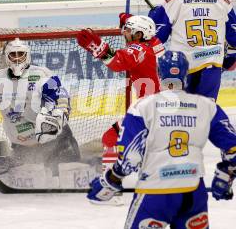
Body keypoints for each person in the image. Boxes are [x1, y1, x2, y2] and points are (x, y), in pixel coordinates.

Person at [87, 50, 236, 228]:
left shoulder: (143, 106)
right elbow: (233, 149)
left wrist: (111, 180)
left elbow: (129, 157)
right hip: (194, 192)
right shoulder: (207, 106)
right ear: (186, 73)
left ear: (159, 74)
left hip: (155, 192)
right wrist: (226, 175)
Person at [0, 38, 80, 177]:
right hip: (22, 147)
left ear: (28, 55)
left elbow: (61, 97)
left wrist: (60, 115)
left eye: (20, 54)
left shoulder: (40, 75)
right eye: (13, 55)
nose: (17, 58)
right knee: (29, 178)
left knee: (67, 175)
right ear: (7, 58)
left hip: (56, 142)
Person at [149, 0, 236, 101]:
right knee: (205, 114)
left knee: (181, 114)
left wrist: (153, 18)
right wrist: (230, 59)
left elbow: (156, 37)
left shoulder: (173, 1)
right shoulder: (222, 2)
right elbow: (234, 38)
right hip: (211, 66)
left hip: (181, 68)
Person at [76, 15, 162, 158]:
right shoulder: (155, 43)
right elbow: (147, 31)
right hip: (161, 108)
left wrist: (98, 48)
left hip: (149, 112)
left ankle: (118, 172)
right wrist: (129, 20)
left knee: (110, 139)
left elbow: (117, 62)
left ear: (139, 34)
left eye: (128, 30)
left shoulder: (140, 49)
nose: (124, 32)